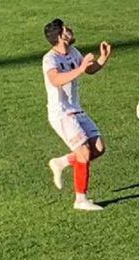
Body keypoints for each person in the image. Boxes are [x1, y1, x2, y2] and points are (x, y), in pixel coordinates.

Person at [42, 19, 112, 212]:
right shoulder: (50, 59)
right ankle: (80, 200)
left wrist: (102, 59)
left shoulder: (73, 52)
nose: (70, 30)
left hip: (76, 109)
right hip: (61, 113)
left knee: (98, 148)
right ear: (60, 36)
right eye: (66, 29)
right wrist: (80, 69)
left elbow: (89, 70)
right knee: (83, 152)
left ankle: (61, 162)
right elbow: (55, 79)